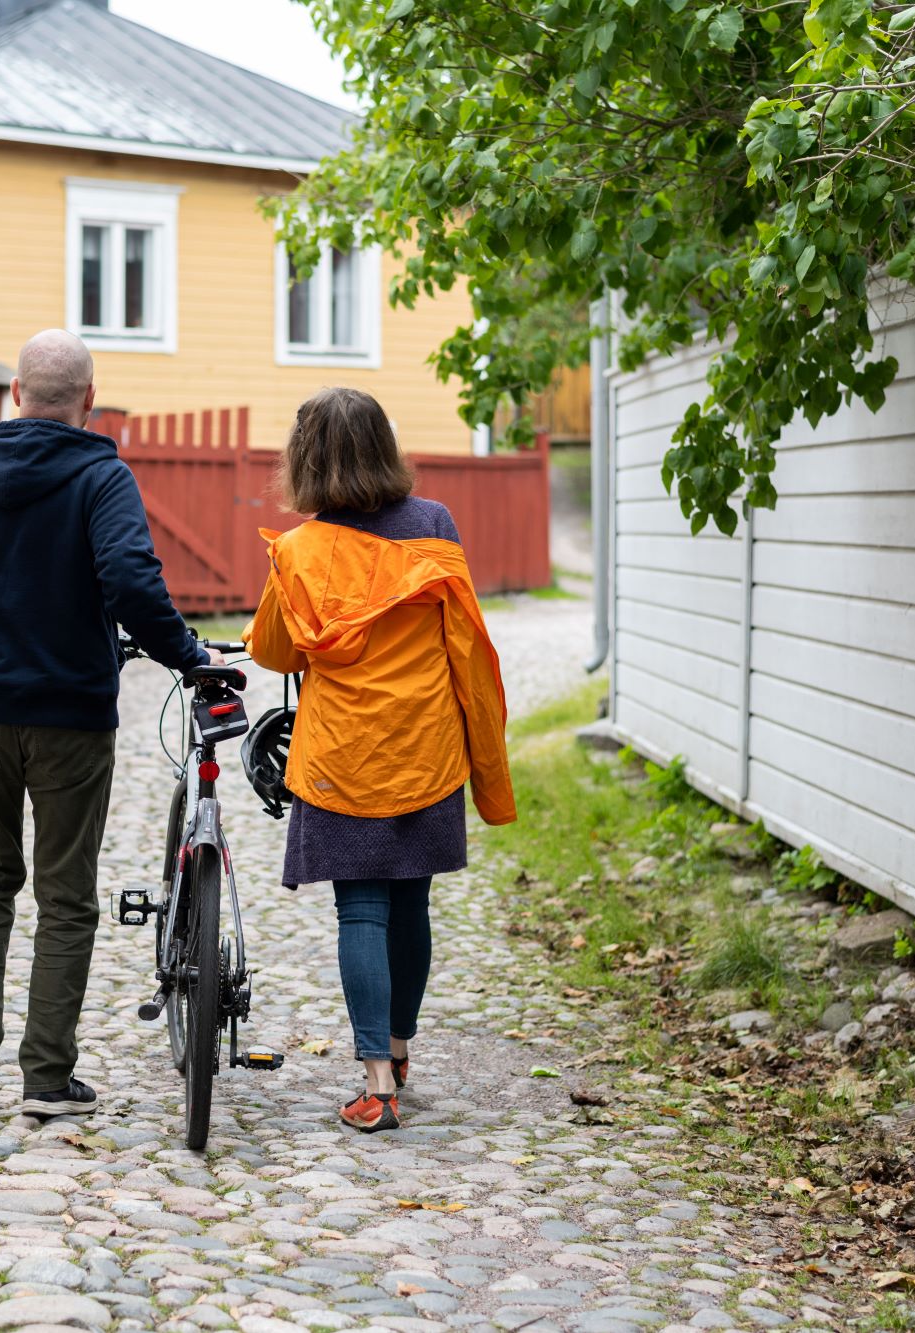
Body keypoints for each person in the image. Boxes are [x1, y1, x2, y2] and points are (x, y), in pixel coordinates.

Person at [0, 328, 213, 1117]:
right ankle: (48, 1075)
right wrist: (186, 653)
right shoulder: (102, 477)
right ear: (89, 401)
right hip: (70, 716)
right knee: (65, 896)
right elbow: (128, 577)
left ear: (15, 394)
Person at [244, 387, 517, 1133]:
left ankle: (374, 1083)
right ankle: (398, 1050)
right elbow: (465, 640)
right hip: (426, 748)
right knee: (411, 903)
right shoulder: (434, 528)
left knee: (360, 907)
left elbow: (273, 650)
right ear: (385, 447)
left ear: (306, 460)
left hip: (344, 757)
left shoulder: (300, 550)